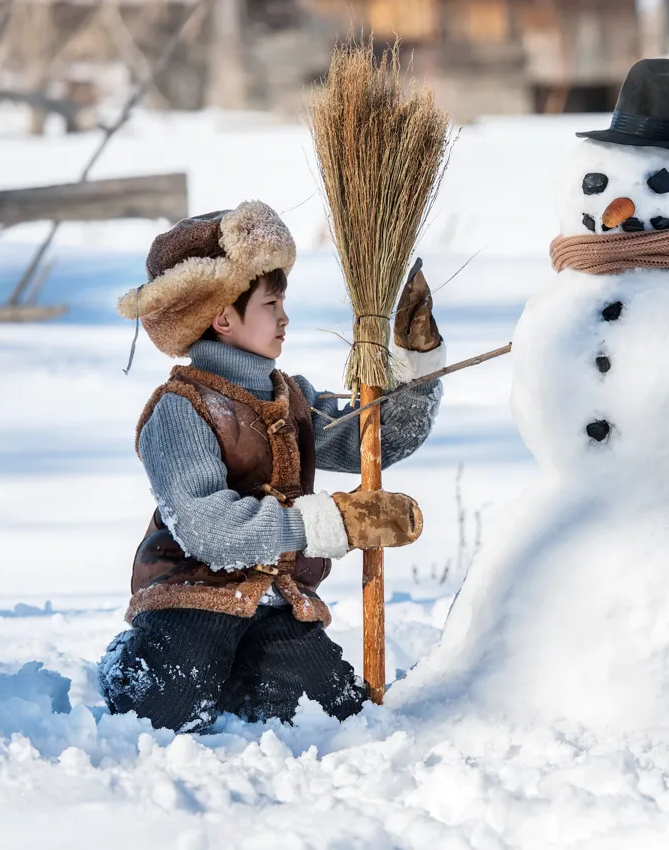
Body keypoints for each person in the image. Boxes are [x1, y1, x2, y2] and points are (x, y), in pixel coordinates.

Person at [98, 200, 445, 732]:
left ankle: (242, 673)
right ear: (222, 317)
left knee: (332, 713)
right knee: (168, 708)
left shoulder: (292, 399)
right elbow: (207, 528)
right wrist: (330, 523)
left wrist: (414, 366)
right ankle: (134, 661)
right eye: (270, 304)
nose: (285, 317)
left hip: (275, 605)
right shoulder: (181, 408)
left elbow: (373, 442)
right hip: (191, 596)